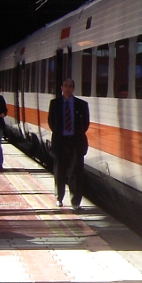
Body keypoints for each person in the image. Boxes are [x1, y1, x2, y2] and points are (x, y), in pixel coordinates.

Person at [47, 78, 90, 210]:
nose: (67, 88)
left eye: (70, 86)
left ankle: (75, 202)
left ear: (73, 88)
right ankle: (59, 198)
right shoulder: (54, 103)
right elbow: (51, 122)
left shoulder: (81, 104)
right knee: (59, 171)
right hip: (60, 141)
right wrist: (61, 133)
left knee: (76, 172)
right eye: (65, 86)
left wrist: (75, 133)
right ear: (61, 87)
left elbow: (85, 124)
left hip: (76, 142)